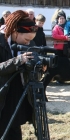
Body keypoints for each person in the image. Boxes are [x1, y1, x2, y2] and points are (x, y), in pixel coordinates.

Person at [0, 10, 39, 139]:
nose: (28, 43)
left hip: (18, 93)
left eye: (31, 40)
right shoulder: (1, 41)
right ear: (15, 32)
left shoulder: (29, 42)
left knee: (15, 128)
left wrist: (40, 67)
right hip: (3, 94)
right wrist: (18, 60)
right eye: (27, 39)